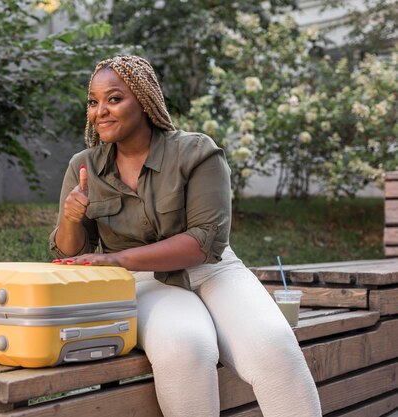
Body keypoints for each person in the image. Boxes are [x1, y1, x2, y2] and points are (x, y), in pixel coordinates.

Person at [48, 55, 322, 417]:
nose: (101, 111)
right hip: (144, 283)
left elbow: (203, 242)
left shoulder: (196, 152)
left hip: (213, 271)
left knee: (274, 346)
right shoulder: (83, 166)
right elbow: (69, 252)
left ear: (144, 102)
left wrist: (115, 258)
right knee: (186, 348)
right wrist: (70, 218)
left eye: (114, 99)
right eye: (93, 101)